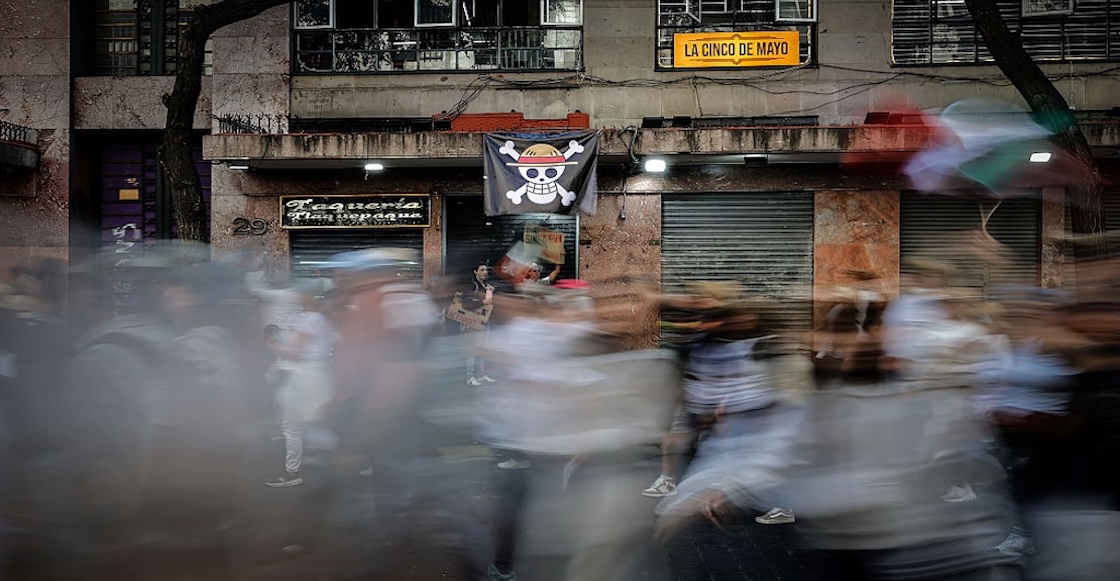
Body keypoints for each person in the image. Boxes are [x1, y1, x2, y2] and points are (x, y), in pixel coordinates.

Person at [265, 278, 336, 488]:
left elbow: (297, 352)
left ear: (307, 296)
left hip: (305, 377)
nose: (294, 295)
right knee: (304, 423)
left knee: (295, 425)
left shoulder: (311, 319)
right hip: (305, 376)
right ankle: (302, 465)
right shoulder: (309, 318)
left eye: (298, 292)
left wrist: (273, 345)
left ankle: (293, 471)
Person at [462, 262, 496, 386]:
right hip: (472, 321)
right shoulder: (471, 286)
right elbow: (465, 303)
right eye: (482, 270)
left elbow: (489, 303)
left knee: (482, 350)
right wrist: (484, 301)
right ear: (475, 272)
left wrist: (491, 292)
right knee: (472, 351)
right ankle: (470, 377)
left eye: (486, 270)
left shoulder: (486, 286)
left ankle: (481, 375)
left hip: (484, 321)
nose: (485, 272)